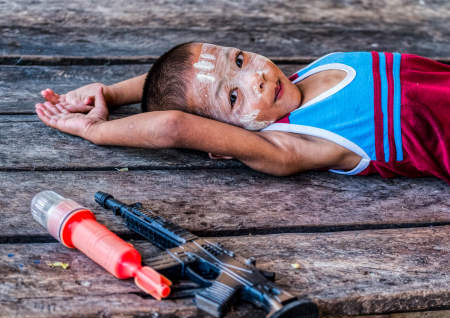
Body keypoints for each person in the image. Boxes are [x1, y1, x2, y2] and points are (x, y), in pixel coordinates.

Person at [35, 42, 450, 183]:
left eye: (238, 59)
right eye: (233, 99)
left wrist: (110, 91)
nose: (255, 78)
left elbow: (192, 78)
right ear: (223, 144)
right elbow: (174, 123)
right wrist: (97, 130)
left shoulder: (310, 73)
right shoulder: (290, 142)